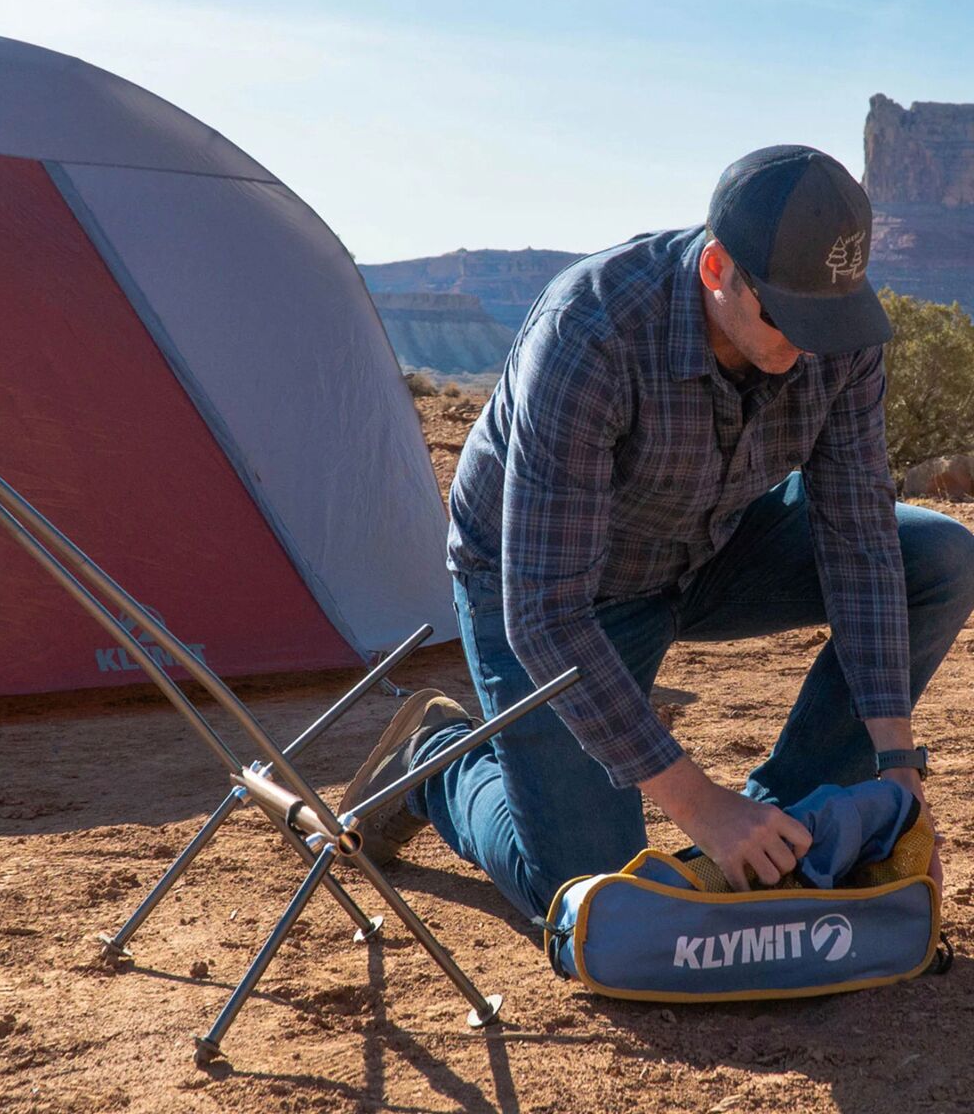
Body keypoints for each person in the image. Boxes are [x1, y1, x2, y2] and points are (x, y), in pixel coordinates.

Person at [355, 145, 974, 921]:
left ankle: (785, 831)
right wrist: (702, 806)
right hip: (555, 587)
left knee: (939, 557)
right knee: (585, 892)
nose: (811, 346)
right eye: (788, 318)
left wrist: (896, 766)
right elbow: (546, 610)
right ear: (718, 271)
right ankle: (439, 763)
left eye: (830, 319)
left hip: (713, 546)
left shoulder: (836, 335)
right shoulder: (592, 332)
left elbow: (858, 540)